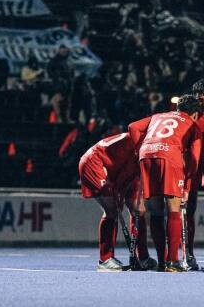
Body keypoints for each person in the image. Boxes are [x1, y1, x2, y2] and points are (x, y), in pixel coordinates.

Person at [139, 95, 204, 271]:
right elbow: (195, 160)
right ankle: (173, 261)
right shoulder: (193, 124)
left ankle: (161, 261)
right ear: (196, 114)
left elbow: (132, 127)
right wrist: (188, 187)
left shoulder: (158, 116)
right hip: (169, 156)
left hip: (146, 154)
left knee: (155, 212)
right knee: (174, 208)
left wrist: (141, 148)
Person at [79, 122, 154, 271]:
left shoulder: (151, 145)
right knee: (112, 209)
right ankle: (105, 260)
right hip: (96, 163)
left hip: (122, 169)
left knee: (139, 211)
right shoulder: (137, 139)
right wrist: (113, 188)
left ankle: (143, 257)